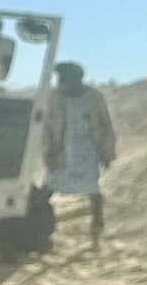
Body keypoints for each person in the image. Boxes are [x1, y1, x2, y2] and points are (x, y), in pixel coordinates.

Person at [42, 61, 117, 244]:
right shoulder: (54, 98)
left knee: (93, 191)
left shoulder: (94, 97)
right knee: (47, 190)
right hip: (62, 151)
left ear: (76, 80)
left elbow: (105, 125)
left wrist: (107, 152)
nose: (61, 84)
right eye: (60, 80)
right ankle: (37, 229)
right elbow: (47, 129)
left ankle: (96, 230)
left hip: (87, 151)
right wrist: (48, 154)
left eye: (65, 80)